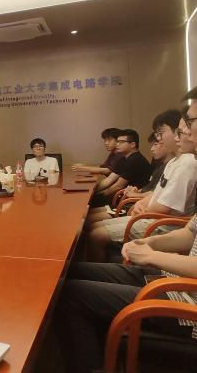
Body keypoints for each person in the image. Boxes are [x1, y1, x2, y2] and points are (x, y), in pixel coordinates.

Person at [54, 90, 197, 373]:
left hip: (187, 304)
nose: (186, 131)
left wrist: (151, 256)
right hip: (172, 278)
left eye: (190, 122)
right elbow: (190, 233)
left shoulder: (187, 164)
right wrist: (152, 243)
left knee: (68, 294)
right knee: (66, 273)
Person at [86, 113, 197, 261]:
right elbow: (156, 193)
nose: (158, 139)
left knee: (95, 234)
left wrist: (142, 207)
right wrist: (140, 203)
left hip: (162, 223)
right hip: (150, 216)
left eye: (161, 133)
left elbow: (164, 207)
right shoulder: (173, 162)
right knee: (92, 226)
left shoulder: (188, 163)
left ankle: (101, 269)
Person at [89, 129, 152, 208]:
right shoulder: (124, 158)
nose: (117, 144)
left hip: (132, 200)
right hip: (123, 195)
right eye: (117, 141)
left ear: (132, 144)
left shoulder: (135, 159)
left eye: (121, 142)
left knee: (90, 203)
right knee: (89, 200)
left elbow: (118, 186)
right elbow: (110, 179)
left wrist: (96, 195)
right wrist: (92, 191)